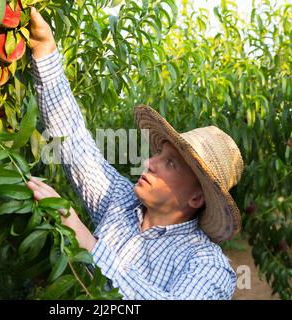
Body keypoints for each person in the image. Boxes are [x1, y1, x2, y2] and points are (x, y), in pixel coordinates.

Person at [25, 7, 244, 300]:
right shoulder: (120, 202)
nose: (149, 163)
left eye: (170, 163)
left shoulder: (207, 265)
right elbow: (74, 144)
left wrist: (88, 243)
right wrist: (45, 52)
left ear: (196, 198)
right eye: (158, 155)